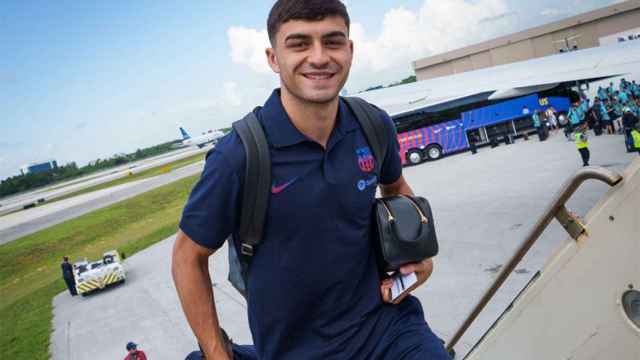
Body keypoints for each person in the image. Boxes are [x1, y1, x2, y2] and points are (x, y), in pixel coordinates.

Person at [172, 1, 451, 360]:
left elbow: (396, 189)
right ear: (273, 58)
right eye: (299, 44)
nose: (319, 57)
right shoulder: (239, 156)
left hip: (390, 330)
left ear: (350, 51)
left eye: (332, 42)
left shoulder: (372, 124)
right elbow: (187, 256)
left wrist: (419, 257)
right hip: (296, 350)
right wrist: (215, 352)